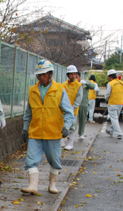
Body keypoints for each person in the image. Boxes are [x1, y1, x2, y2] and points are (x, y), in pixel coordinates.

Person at [21, 60, 74, 195]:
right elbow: (28, 113)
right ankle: (32, 185)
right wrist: (25, 129)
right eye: (39, 75)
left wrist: (66, 126)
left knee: (54, 160)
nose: (41, 77)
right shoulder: (32, 90)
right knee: (31, 160)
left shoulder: (60, 90)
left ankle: (52, 184)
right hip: (35, 131)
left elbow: (68, 111)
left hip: (53, 132)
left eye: (44, 74)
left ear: (50, 74)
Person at [62, 65, 83, 150]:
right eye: (71, 74)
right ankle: (62, 142)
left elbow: (79, 98)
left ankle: (70, 143)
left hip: (73, 110)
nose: (73, 76)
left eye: (75, 74)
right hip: (64, 110)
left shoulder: (79, 85)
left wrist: (72, 107)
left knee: (72, 126)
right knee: (62, 125)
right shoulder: (63, 85)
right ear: (67, 75)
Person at [105, 69, 123, 139]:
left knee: (114, 119)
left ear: (110, 77)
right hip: (120, 103)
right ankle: (111, 131)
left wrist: (106, 99)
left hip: (113, 103)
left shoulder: (110, 84)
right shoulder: (121, 83)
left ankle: (119, 133)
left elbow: (107, 94)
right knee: (115, 118)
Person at [77, 75, 97, 140]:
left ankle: (81, 134)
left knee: (82, 120)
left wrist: (86, 82)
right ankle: (70, 133)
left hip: (83, 103)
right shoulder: (74, 84)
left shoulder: (85, 83)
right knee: (72, 120)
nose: (75, 77)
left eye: (76, 76)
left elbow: (93, 86)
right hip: (75, 104)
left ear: (80, 76)